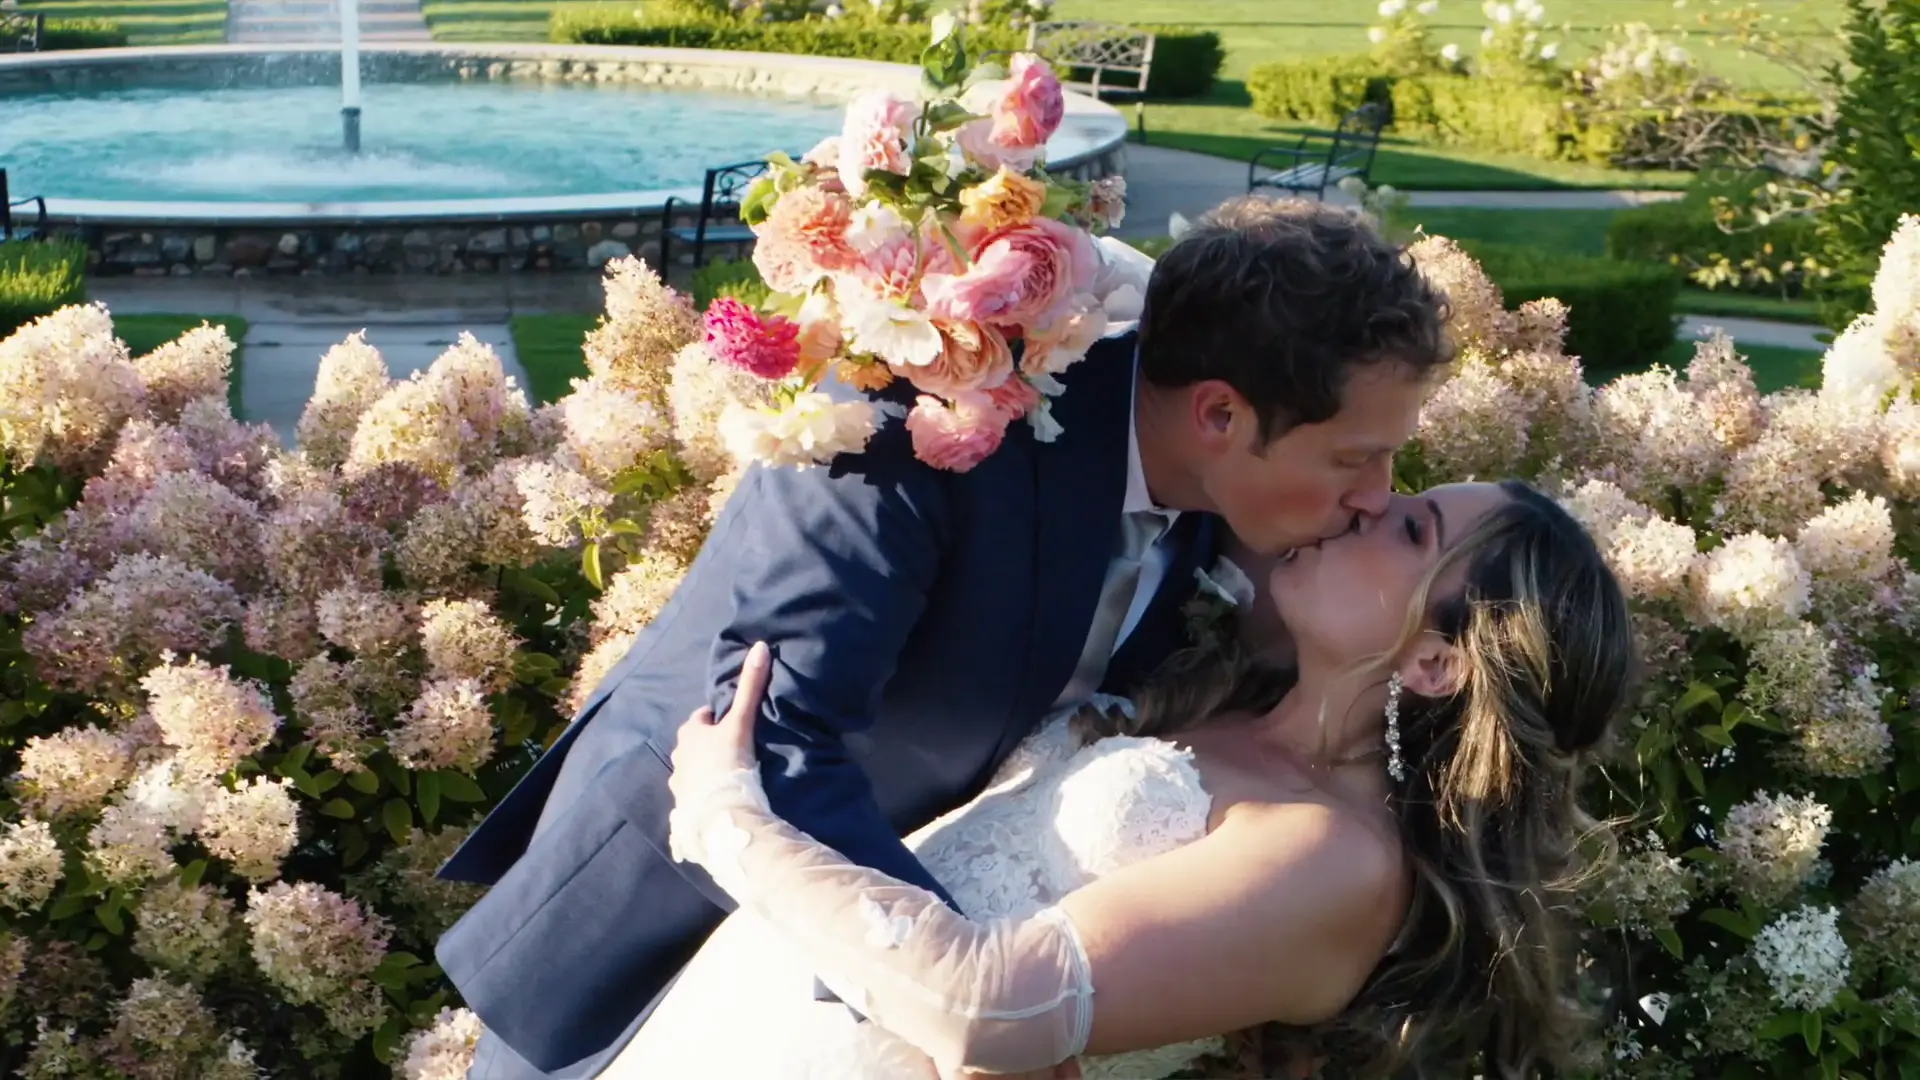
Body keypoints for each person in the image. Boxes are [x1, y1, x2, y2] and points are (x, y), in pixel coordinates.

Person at [433, 196, 1453, 1079]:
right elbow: (770, 736)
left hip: (861, 940)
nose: (1376, 498)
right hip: (660, 910)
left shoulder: (1246, 518)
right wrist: (960, 1009)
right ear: (1220, 414)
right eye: (1358, 459)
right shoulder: (928, 413)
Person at [627, 478, 1637, 1080]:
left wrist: (728, 818)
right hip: (758, 1003)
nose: (1368, 502)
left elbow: (988, 1005)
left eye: (1411, 530)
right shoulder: (1213, 687)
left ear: (1435, 664)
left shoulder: (1339, 859)